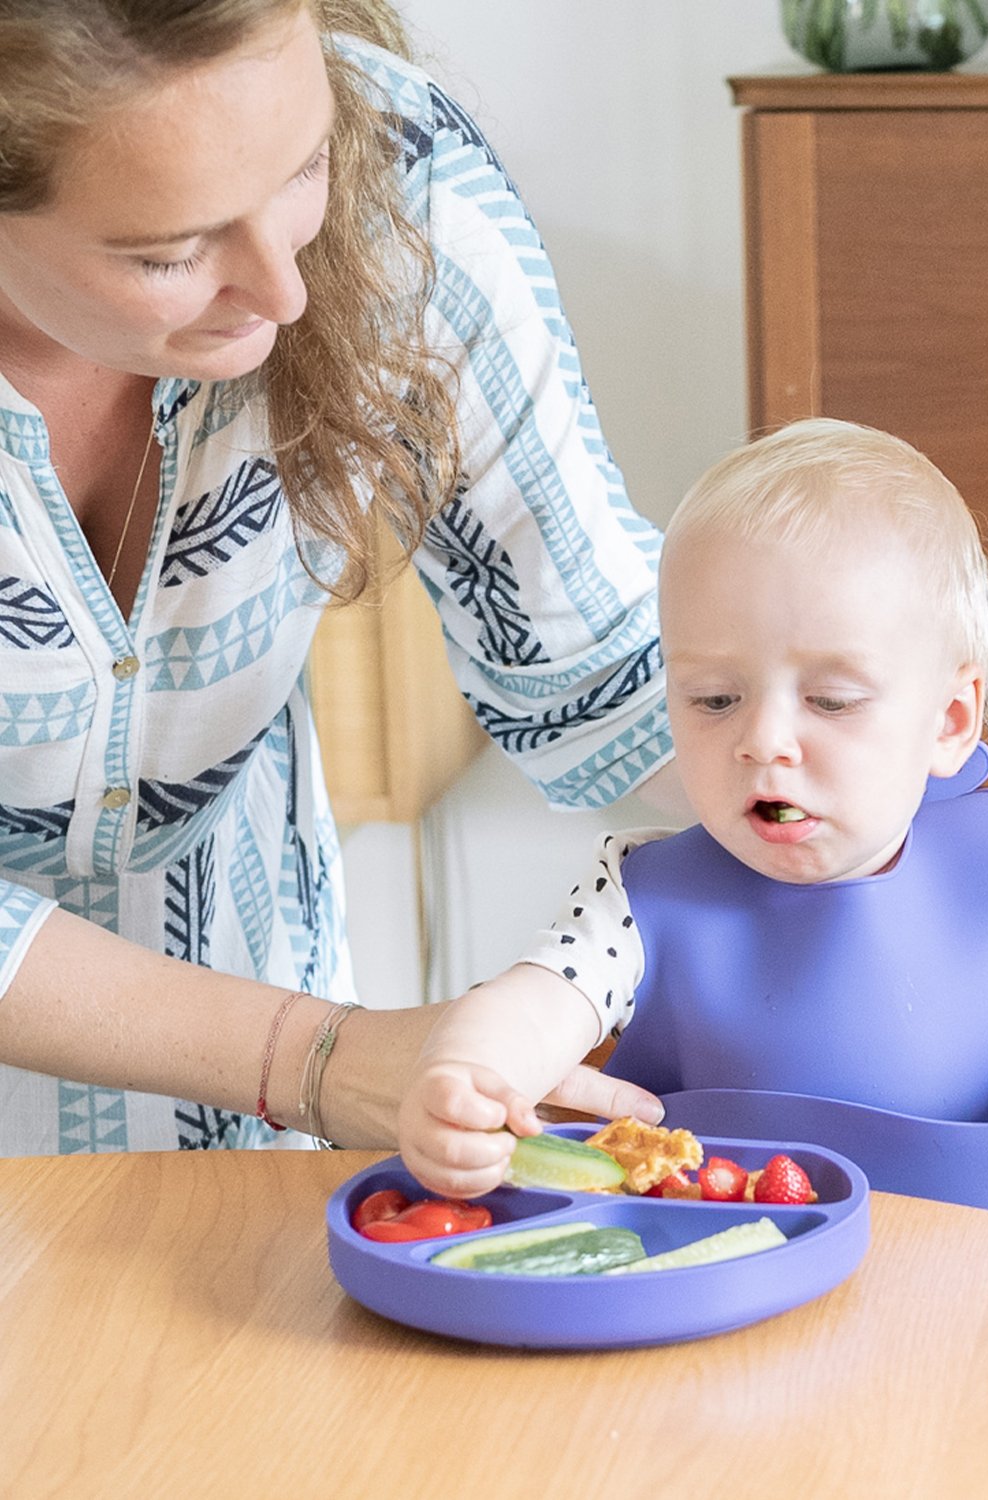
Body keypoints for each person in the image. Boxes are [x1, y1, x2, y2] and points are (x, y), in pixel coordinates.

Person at [0, 0, 684, 1154]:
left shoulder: (402, 182)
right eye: (171, 250)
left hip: (235, 1066)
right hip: (277, 1058)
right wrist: (313, 1058)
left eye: (300, 165)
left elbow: (601, 661)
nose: (286, 291)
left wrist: (948, 866)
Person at [399, 419, 988, 1199]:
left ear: (948, 721)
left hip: (957, 1325)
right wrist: (467, 1076)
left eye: (829, 700)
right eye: (713, 699)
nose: (764, 741)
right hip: (706, 1324)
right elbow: (531, 1005)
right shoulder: (639, 900)